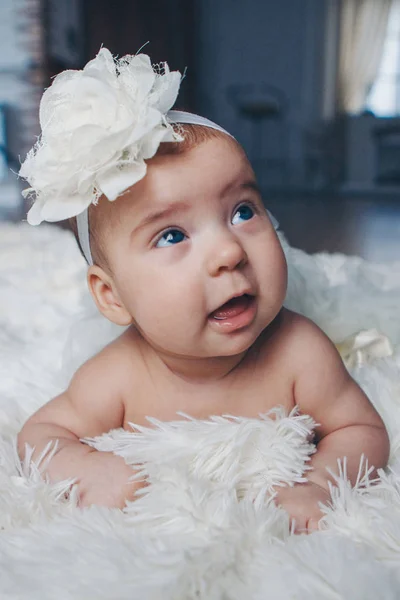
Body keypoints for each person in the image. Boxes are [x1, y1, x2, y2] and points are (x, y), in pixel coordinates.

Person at [17, 48, 389, 533]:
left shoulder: (299, 352)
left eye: (243, 211)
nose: (229, 253)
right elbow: (41, 433)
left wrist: (320, 483)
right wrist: (84, 468)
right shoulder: (119, 376)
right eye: (172, 235)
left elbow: (360, 429)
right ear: (113, 297)